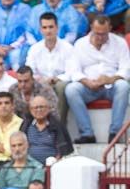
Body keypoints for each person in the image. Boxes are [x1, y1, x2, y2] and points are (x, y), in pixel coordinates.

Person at [65, 15, 130, 144]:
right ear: (91, 28)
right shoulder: (80, 44)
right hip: (89, 86)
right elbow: (74, 71)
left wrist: (111, 79)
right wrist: (86, 81)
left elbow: (126, 69)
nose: (100, 37)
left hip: (111, 86)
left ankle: (115, 133)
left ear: (110, 29)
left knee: (123, 86)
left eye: (104, 34)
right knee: (71, 90)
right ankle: (87, 133)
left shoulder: (119, 42)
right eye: (97, 33)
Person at [21, 94, 73, 164]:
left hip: (53, 165)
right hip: (30, 167)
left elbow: (64, 149)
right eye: (35, 107)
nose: (39, 110)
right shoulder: (26, 126)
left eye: (41, 107)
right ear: (30, 110)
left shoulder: (57, 125)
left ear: (48, 108)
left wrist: (56, 161)